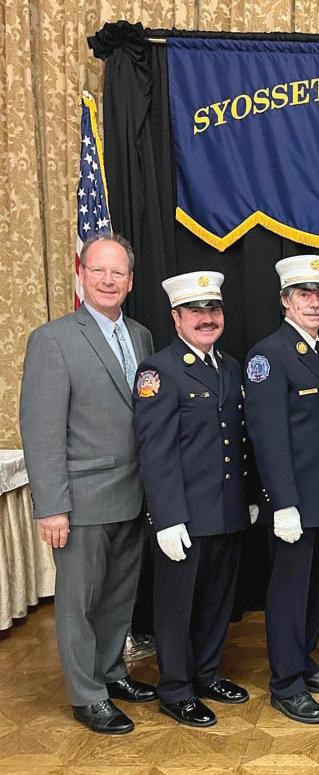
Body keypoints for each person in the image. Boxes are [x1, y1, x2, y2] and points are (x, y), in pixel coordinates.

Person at [20, 234, 156, 734]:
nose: (107, 280)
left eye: (117, 272)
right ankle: (87, 694)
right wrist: (51, 506)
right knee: (79, 604)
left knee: (119, 597)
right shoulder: (53, 339)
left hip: (133, 494)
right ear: (81, 274)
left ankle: (112, 672)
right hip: (81, 501)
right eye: (97, 270)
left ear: (131, 281)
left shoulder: (141, 336)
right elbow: (41, 429)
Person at [133, 271, 254, 728]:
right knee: (176, 608)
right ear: (176, 317)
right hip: (183, 516)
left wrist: (249, 497)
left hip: (227, 510)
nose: (207, 318)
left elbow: (238, 440)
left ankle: (206, 674)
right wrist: (166, 518)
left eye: (213, 309)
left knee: (216, 603)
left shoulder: (231, 366)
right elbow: (155, 450)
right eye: (196, 311)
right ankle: (175, 689)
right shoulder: (159, 371)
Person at [244, 255, 319, 725]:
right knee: (288, 595)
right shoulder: (269, 355)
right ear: (285, 300)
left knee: (310, 590)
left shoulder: (316, 349)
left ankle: (302, 661)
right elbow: (268, 437)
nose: (314, 303)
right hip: (293, 505)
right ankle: (286, 684)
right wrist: (283, 504)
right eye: (304, 295)